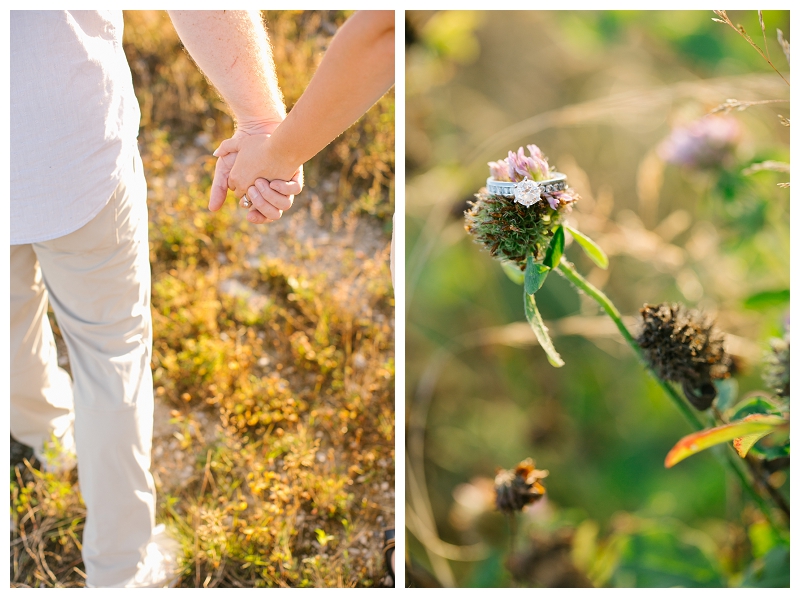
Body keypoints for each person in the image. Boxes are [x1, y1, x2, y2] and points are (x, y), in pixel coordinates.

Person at [10, 10, 298, 588]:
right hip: (67, 150)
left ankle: (44, 433)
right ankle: (121, 570)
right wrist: (263, 121)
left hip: (55, 151)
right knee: (109, 351)